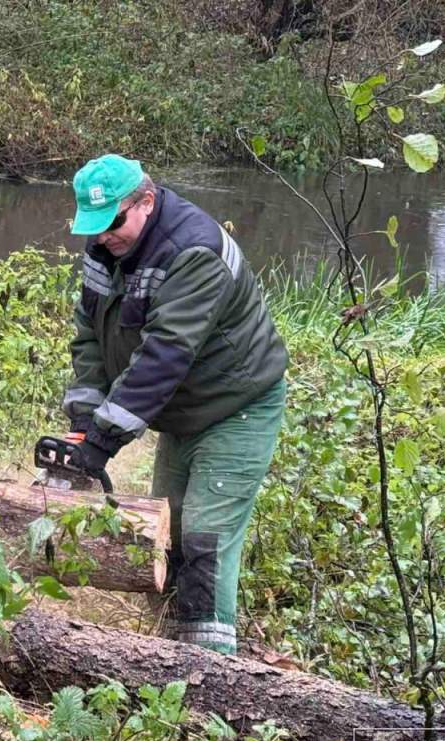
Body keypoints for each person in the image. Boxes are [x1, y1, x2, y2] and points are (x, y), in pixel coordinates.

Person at [62, 153, 289, 655]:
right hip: (182, 412)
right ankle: (164, 654)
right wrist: (84, 415)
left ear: (146, 201)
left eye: (113, 223)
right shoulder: (104, 248)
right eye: (94, 227)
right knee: (167, 531)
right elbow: (89, 336)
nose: (103, 237)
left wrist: (104, 439)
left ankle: (213, 672)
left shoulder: (193, 251)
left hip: (237, 405)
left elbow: (165, 355)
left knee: (205, 534)